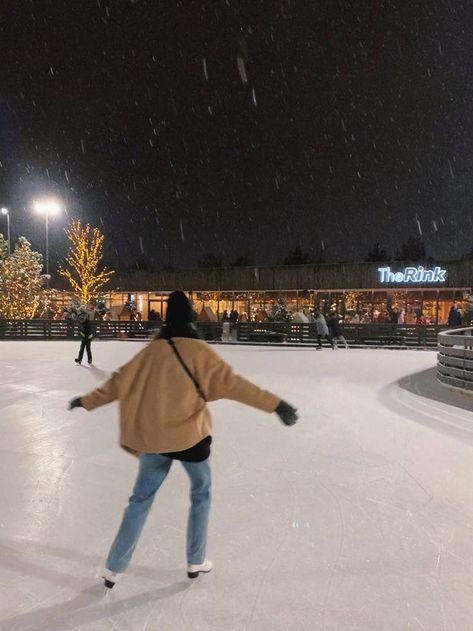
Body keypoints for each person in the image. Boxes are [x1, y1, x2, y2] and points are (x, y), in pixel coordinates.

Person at [68, 291, 298, 588]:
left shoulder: (151, 352)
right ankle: (195, 559)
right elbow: (235, 385)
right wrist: (276, 404)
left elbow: (118, 382)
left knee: (139, 501)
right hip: (190, 440)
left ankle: (114, 567)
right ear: (190, 316)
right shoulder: (199, 352)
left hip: (155, 441)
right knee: (201, 491)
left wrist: (86, 401)